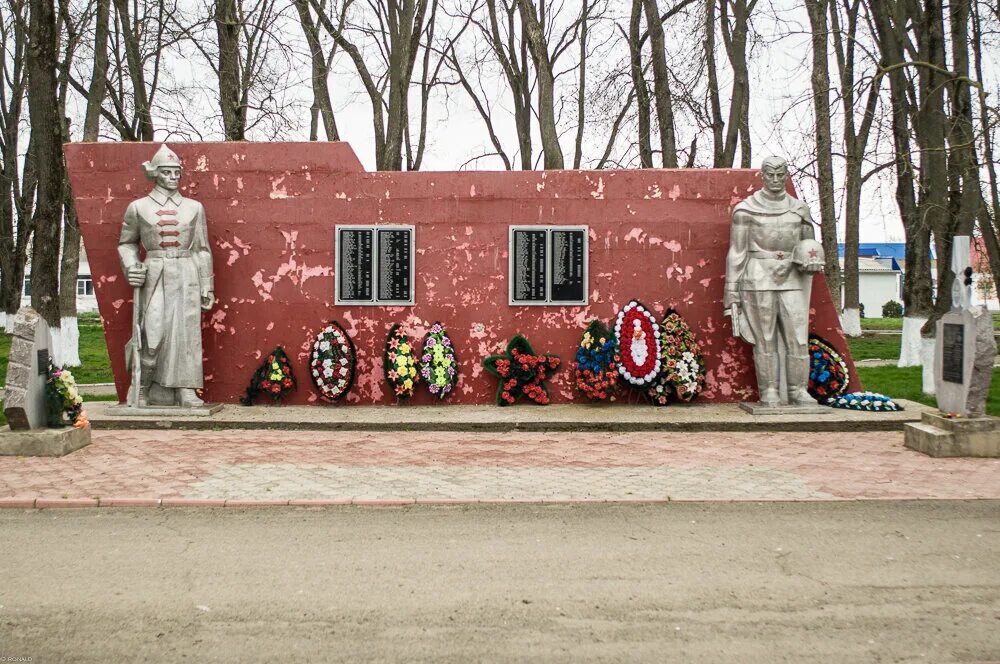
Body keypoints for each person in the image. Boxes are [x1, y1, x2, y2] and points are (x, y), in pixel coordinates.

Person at [723, 156, 824, 407]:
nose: (776, 180)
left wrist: (812, 261)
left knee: (798, 337)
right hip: (758, 275)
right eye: (771, 175)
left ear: (787, 175)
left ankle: (798, 390)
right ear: (763, 176)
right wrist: (731, 292)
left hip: (792, 276)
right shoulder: (746, 210)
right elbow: (737, 252)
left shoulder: (799, 210)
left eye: (781, 175)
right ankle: (768, 390)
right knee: (764, 338)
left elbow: (808, 246)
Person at [120, 144, 214, 407]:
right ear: (155, 174)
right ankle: (142, 387)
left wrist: (208, 286)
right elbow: (126, 243)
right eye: (167, 172)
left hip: (187, 273)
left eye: (176, 173)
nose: (173, 178)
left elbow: (203, 249)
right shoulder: (138, 207)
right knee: (153, 333)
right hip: (154, 273)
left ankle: (185, 389)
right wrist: (131, 266)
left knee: (187, 334)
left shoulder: (194, 207)